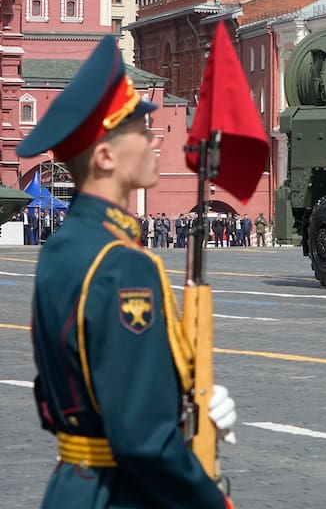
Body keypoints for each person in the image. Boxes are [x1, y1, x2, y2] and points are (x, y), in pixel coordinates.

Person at [21, 37, 237, 509]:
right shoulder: (124, 265)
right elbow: (142, 438)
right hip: (118, 493)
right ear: (105, 157)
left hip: (71, 487)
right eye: (140, 130)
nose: (153, 138)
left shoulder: (61, 248)